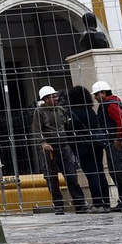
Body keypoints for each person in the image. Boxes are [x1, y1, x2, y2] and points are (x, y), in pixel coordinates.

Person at [35, 85, 87, 214]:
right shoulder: (39, 112)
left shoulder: (61, 110)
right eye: (52, 97)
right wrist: (43, 143)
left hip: (64, 147)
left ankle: (80, 203)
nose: (56, 98)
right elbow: (37, 130)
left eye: (55, 96)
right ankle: (58, 205)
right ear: (45, 99)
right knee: (52, 178)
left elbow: (67, 126)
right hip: (50, 150)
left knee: (71, 176)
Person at [92, 80, 122, 211]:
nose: (95, 98)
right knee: (115, 171)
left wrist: (119, 139)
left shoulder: (111, 105)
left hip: (116, 142)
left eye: (96, 94)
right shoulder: (108, 104)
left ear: (103, 93)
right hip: (112, 141)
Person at [66, 84, 110, 210]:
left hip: (83, 146)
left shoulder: (73, 112)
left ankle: (98, 203)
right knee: (100, 172)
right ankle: (105, 201)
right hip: (96, 145)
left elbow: (71, 132)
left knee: (91, 175)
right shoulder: (90, 110)